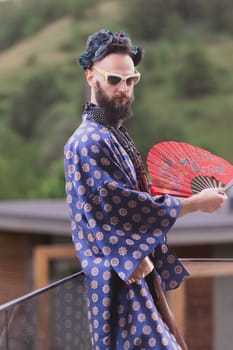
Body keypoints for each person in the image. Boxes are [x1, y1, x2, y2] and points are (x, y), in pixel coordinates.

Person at [64, 29, 227, 350]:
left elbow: (133, 200)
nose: (123, 89)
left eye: (131, 80)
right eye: (114, 80)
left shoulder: (111, 134)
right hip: (117, 281)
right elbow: (123, 207)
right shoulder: (89, 141)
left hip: (135, 270)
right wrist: (194, 204)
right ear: (90, 77)